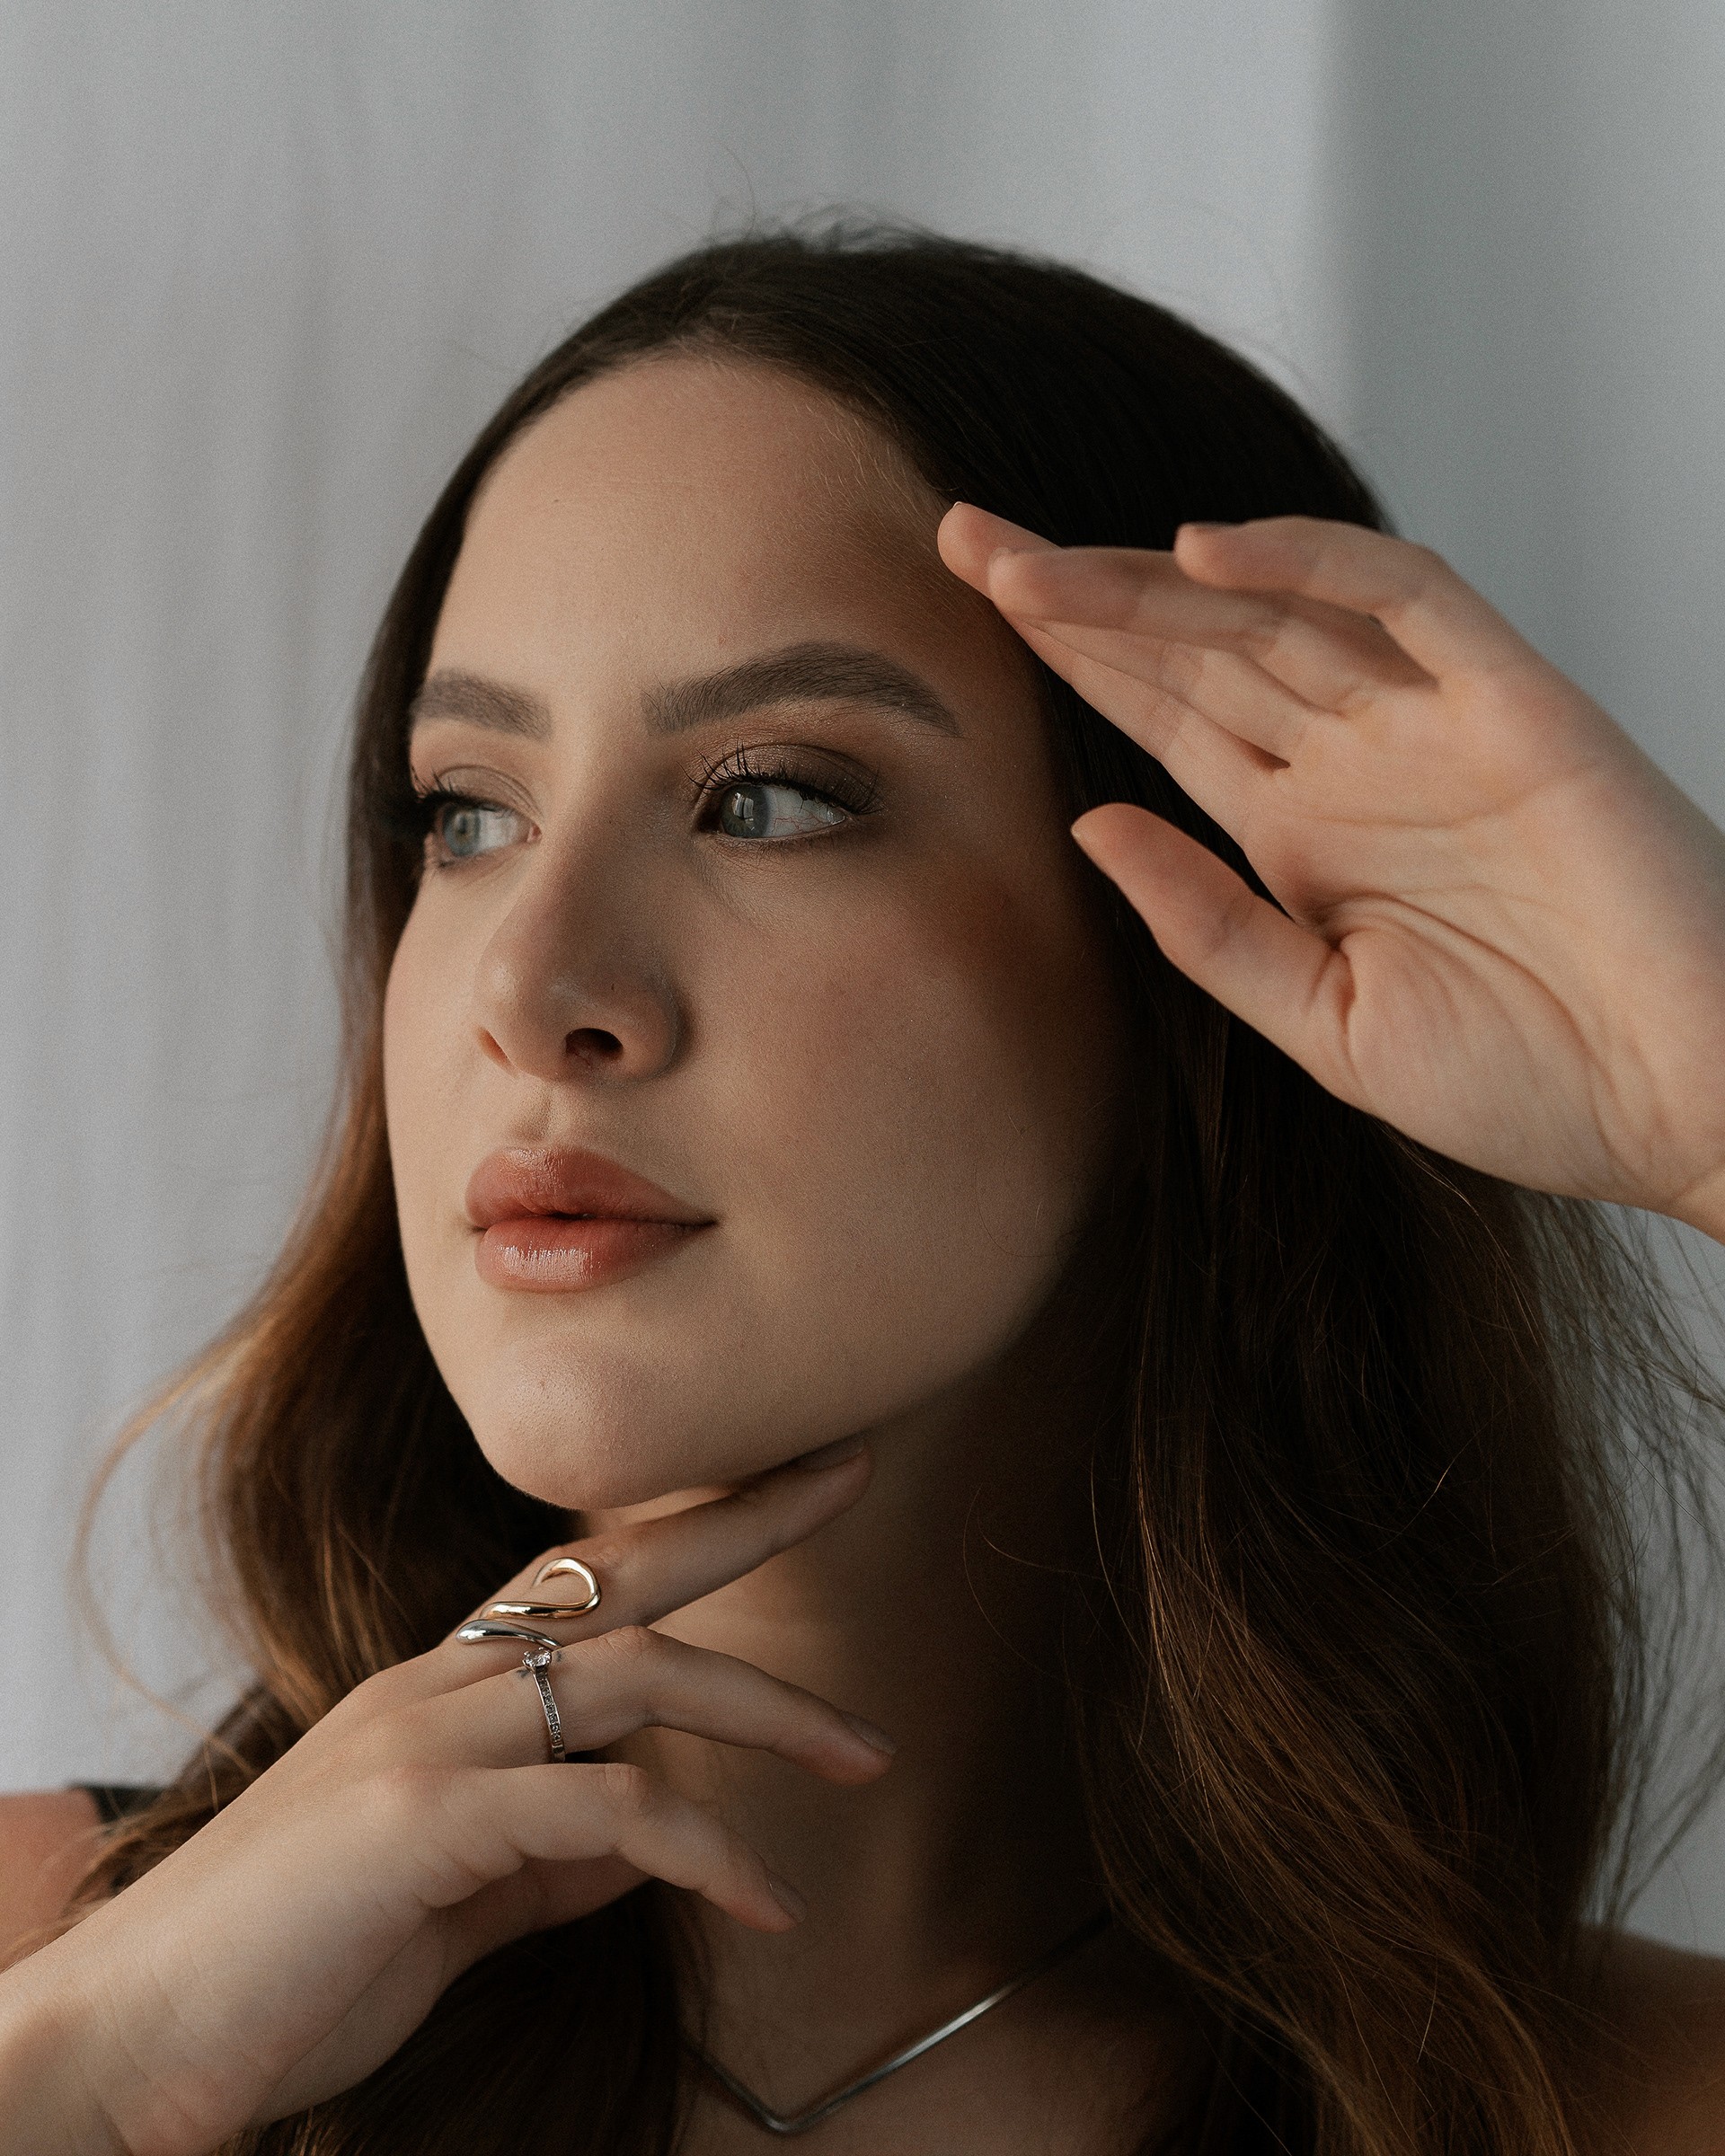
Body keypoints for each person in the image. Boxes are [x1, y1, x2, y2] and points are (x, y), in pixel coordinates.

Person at [3, 224, 1725, 2156]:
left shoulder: (1611, 2106)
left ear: (1201, 955)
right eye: (470, 814)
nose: (530, 987)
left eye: (768, 798)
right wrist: (89, 2081)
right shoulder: (44, 1966)